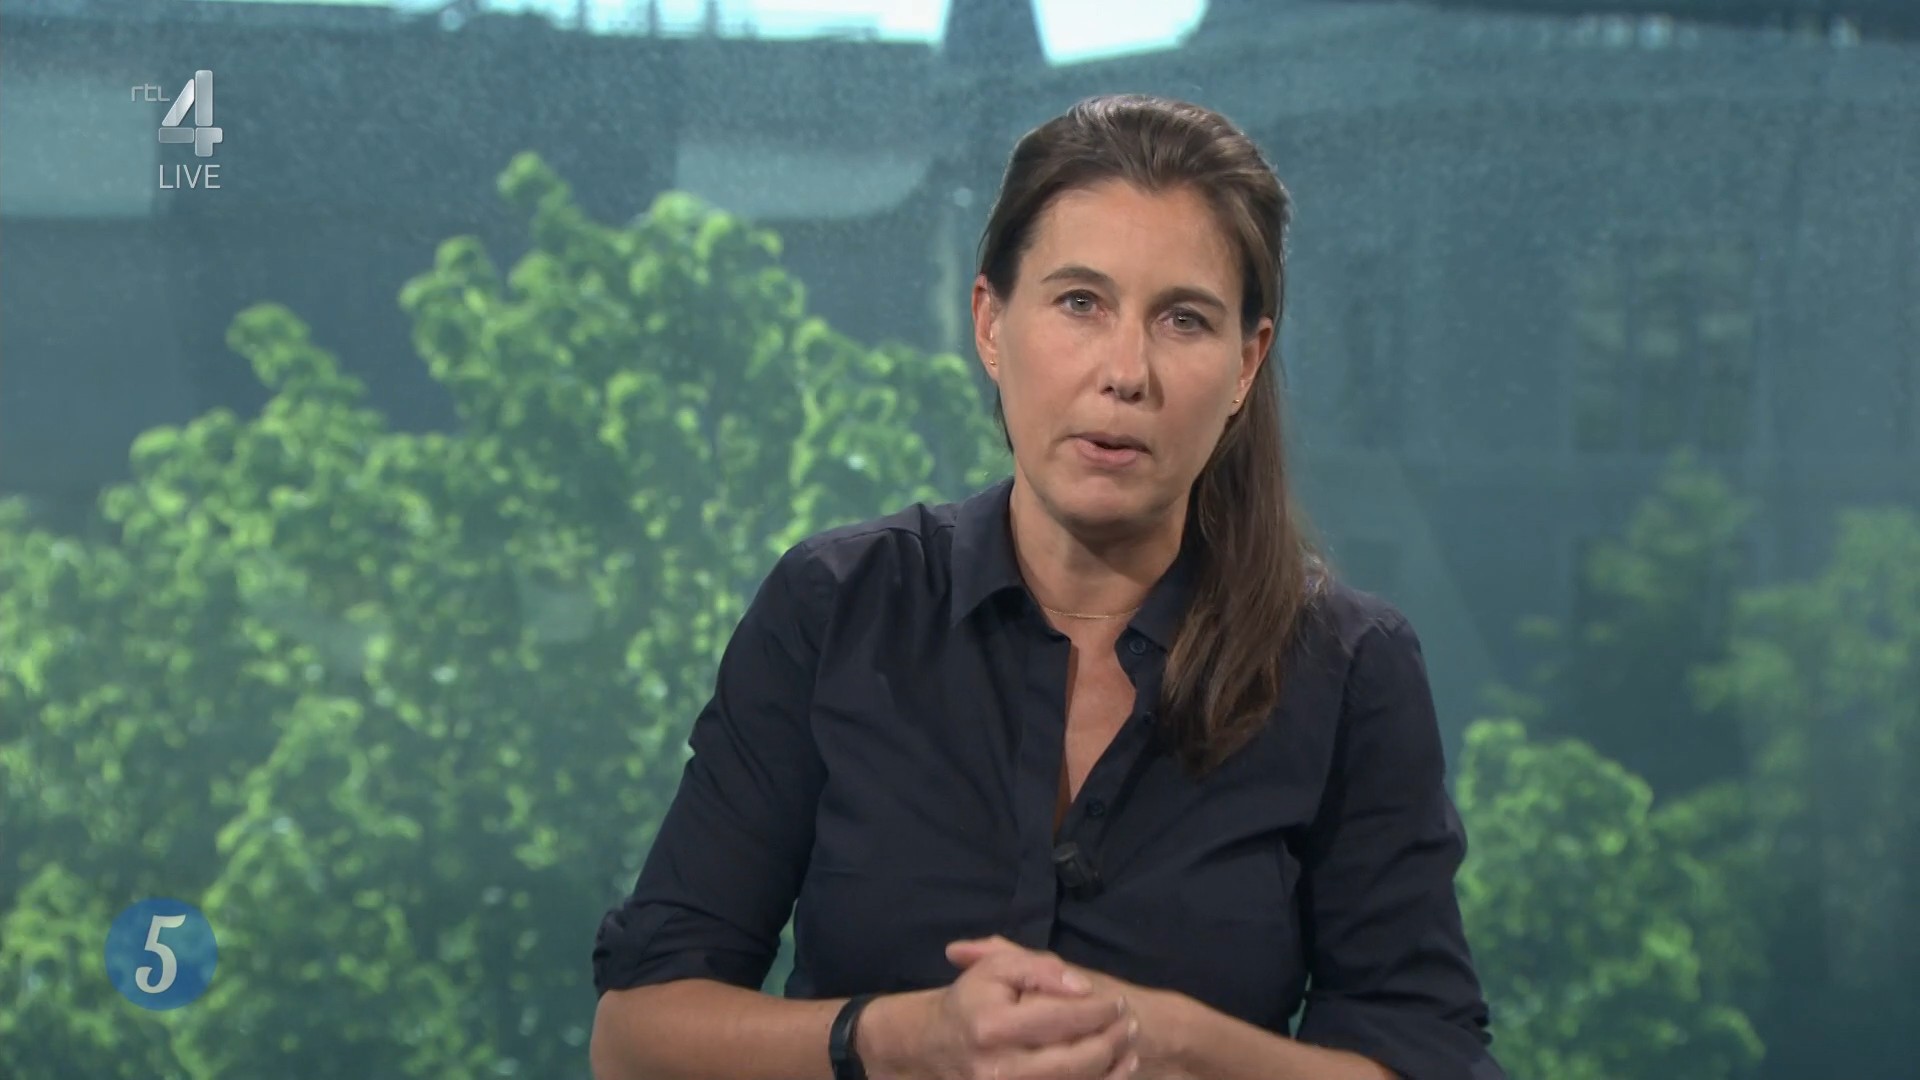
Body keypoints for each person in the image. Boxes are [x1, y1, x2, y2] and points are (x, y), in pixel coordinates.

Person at [589, 93, 1504, 1080]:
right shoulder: (835, 607)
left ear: (1246, 365)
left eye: (1184, 320)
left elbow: (1430, 1058)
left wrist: (1176, 1044)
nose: (1126, 371)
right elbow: (635, 1039)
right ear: (990, 322)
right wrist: (900, 1040)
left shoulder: (1347, 669)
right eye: (1080, 303)